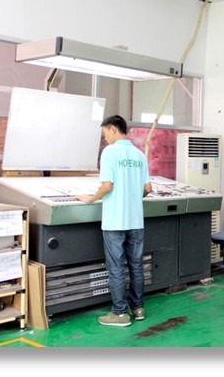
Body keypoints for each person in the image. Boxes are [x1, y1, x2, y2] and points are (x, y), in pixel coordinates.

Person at [76, 115, 152, 327]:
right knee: (136, 265)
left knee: (116, 267)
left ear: (113, 129)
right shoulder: (139, 155)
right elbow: (147, 188)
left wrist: (91, 198)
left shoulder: (109, 152)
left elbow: (107, 185)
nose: (105, 138)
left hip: (115, 221)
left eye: (105, 133)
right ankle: (138, 308)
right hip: (136, 221)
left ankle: (119, 314)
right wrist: (133, 198)